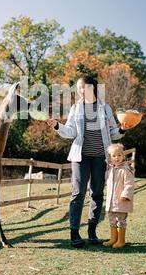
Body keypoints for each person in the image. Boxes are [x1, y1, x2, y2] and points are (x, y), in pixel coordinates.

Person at [47, 75, 131, 247]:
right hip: (80, 157)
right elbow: (71, 132)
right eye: (77, 88)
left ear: (92, 88)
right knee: (77, 194)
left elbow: (113, 132)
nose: (78, 90)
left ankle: (92, 232)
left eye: (81, 87)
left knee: (97, 194)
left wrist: (122, 129)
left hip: (101, 157)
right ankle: (74, 234)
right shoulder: (76, 108)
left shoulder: (105, 108)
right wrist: (57, 126)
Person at [103, 143, 135, 249]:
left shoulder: (126, 170)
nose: (117, 158)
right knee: (112, 219)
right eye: (114, 156)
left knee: (121, 220)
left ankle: (121, 240)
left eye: (119, 155)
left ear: (123, 156)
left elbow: (129, 184)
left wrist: (125, 195)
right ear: (110, 158)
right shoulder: (110, 170)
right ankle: (113, 238)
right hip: (111, 201)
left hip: (121, 200)